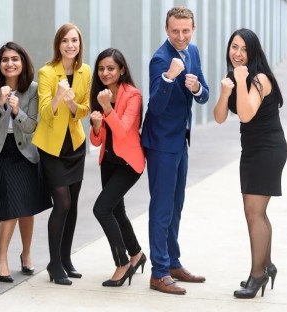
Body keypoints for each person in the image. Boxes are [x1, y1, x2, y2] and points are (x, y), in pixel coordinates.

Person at [214, 28, 287, 299]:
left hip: (268, 150)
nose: (238, 53)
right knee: (257, 212)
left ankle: (258, 275)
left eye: (244, 49)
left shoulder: (259, 78)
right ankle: (266, 266)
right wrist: (225, 91)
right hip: (252, 150)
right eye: (234, 47)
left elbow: (245, 114)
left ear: (253, 53)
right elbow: (220, 117)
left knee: (253, 212)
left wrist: (241, 79)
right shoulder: (234, 78)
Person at [141, 6, 209, 295]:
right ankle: (158, 272)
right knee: (162, 207)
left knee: (176, 205)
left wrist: (196, 89)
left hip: (180, 141)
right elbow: (155, 106)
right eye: (175, 31)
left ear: (192, 29)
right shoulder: (159, 59)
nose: (180, 36)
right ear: (166, 30)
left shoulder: (193, 52)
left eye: (185, 30)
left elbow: (204, 94)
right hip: (160, 144)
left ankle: (172, 262)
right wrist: (169, 78)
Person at [0, 42, 51, 283]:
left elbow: (33, 126)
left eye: (15, 59)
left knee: (27, 207)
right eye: (5, 59)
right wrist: (0, 104)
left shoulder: (34, 89)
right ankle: (1, 259)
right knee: (10, 206)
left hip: (25, 152)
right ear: (0, 65)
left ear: (23, 63)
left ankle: (26, 254)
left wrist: (17, 112)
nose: (10, 63)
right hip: (0, 152)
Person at [32, 23, 91, 286]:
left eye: (74, 41)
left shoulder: (85, 71)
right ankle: (54, 264)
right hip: (52, 148)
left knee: (74, 205)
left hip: (75, 146)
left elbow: (85, 109)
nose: (70, 45)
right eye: (65, 41)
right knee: (63, 203)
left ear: (80, 44)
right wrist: (57, 98)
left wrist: (72, 104)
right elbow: (44, 113)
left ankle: (65, 259)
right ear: (58, 44)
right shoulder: (47, 72)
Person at [89, 48, 147, 287]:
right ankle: (136, 254)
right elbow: (96, 140)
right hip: (109, 162)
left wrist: (108, 108)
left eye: (111, 68)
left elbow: (123, 131)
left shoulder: (133, 95)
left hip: (129, 164)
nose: (105, 73)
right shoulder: (100, 94)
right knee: (116, 211)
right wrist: (95, 125)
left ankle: (122, 263)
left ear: (122, 70)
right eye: (101, 68)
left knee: (102, 209)